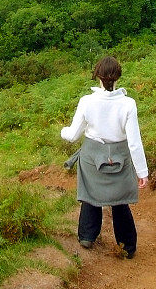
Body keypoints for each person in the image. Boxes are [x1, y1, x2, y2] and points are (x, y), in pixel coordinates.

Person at [61, 55, 148, 259]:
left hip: (92, 157)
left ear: (97, 76)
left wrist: (62, 131)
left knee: (91, 197)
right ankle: (127, 247)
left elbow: (73, 135)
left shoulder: (87, 102)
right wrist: (142, 172)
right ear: (118, 77)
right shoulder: (128, 104)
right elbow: (134, 142)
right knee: (120, 202)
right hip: (120, 158)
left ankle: (87, 236)